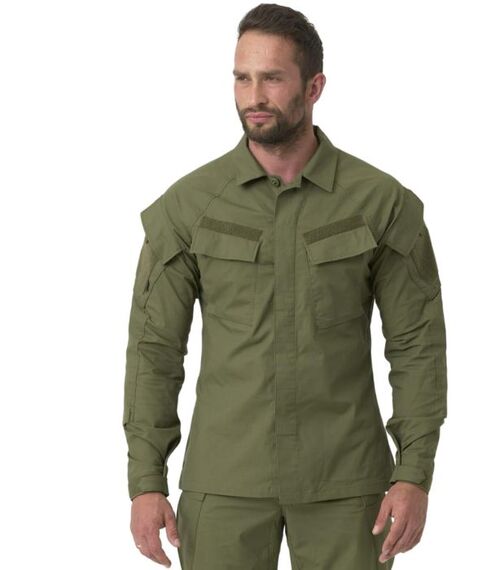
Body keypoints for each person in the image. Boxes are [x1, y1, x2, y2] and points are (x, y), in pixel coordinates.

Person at [122, 3, 448, 569]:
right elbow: (154, 350)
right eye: (242, 78)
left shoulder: (381, 204)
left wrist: (414, 473)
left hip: (347, 484)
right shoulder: (188, 207)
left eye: (272, 78)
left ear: (314, 86)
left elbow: (417, 345)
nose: (253, 96)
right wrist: (146, 480)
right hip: (225, 481)